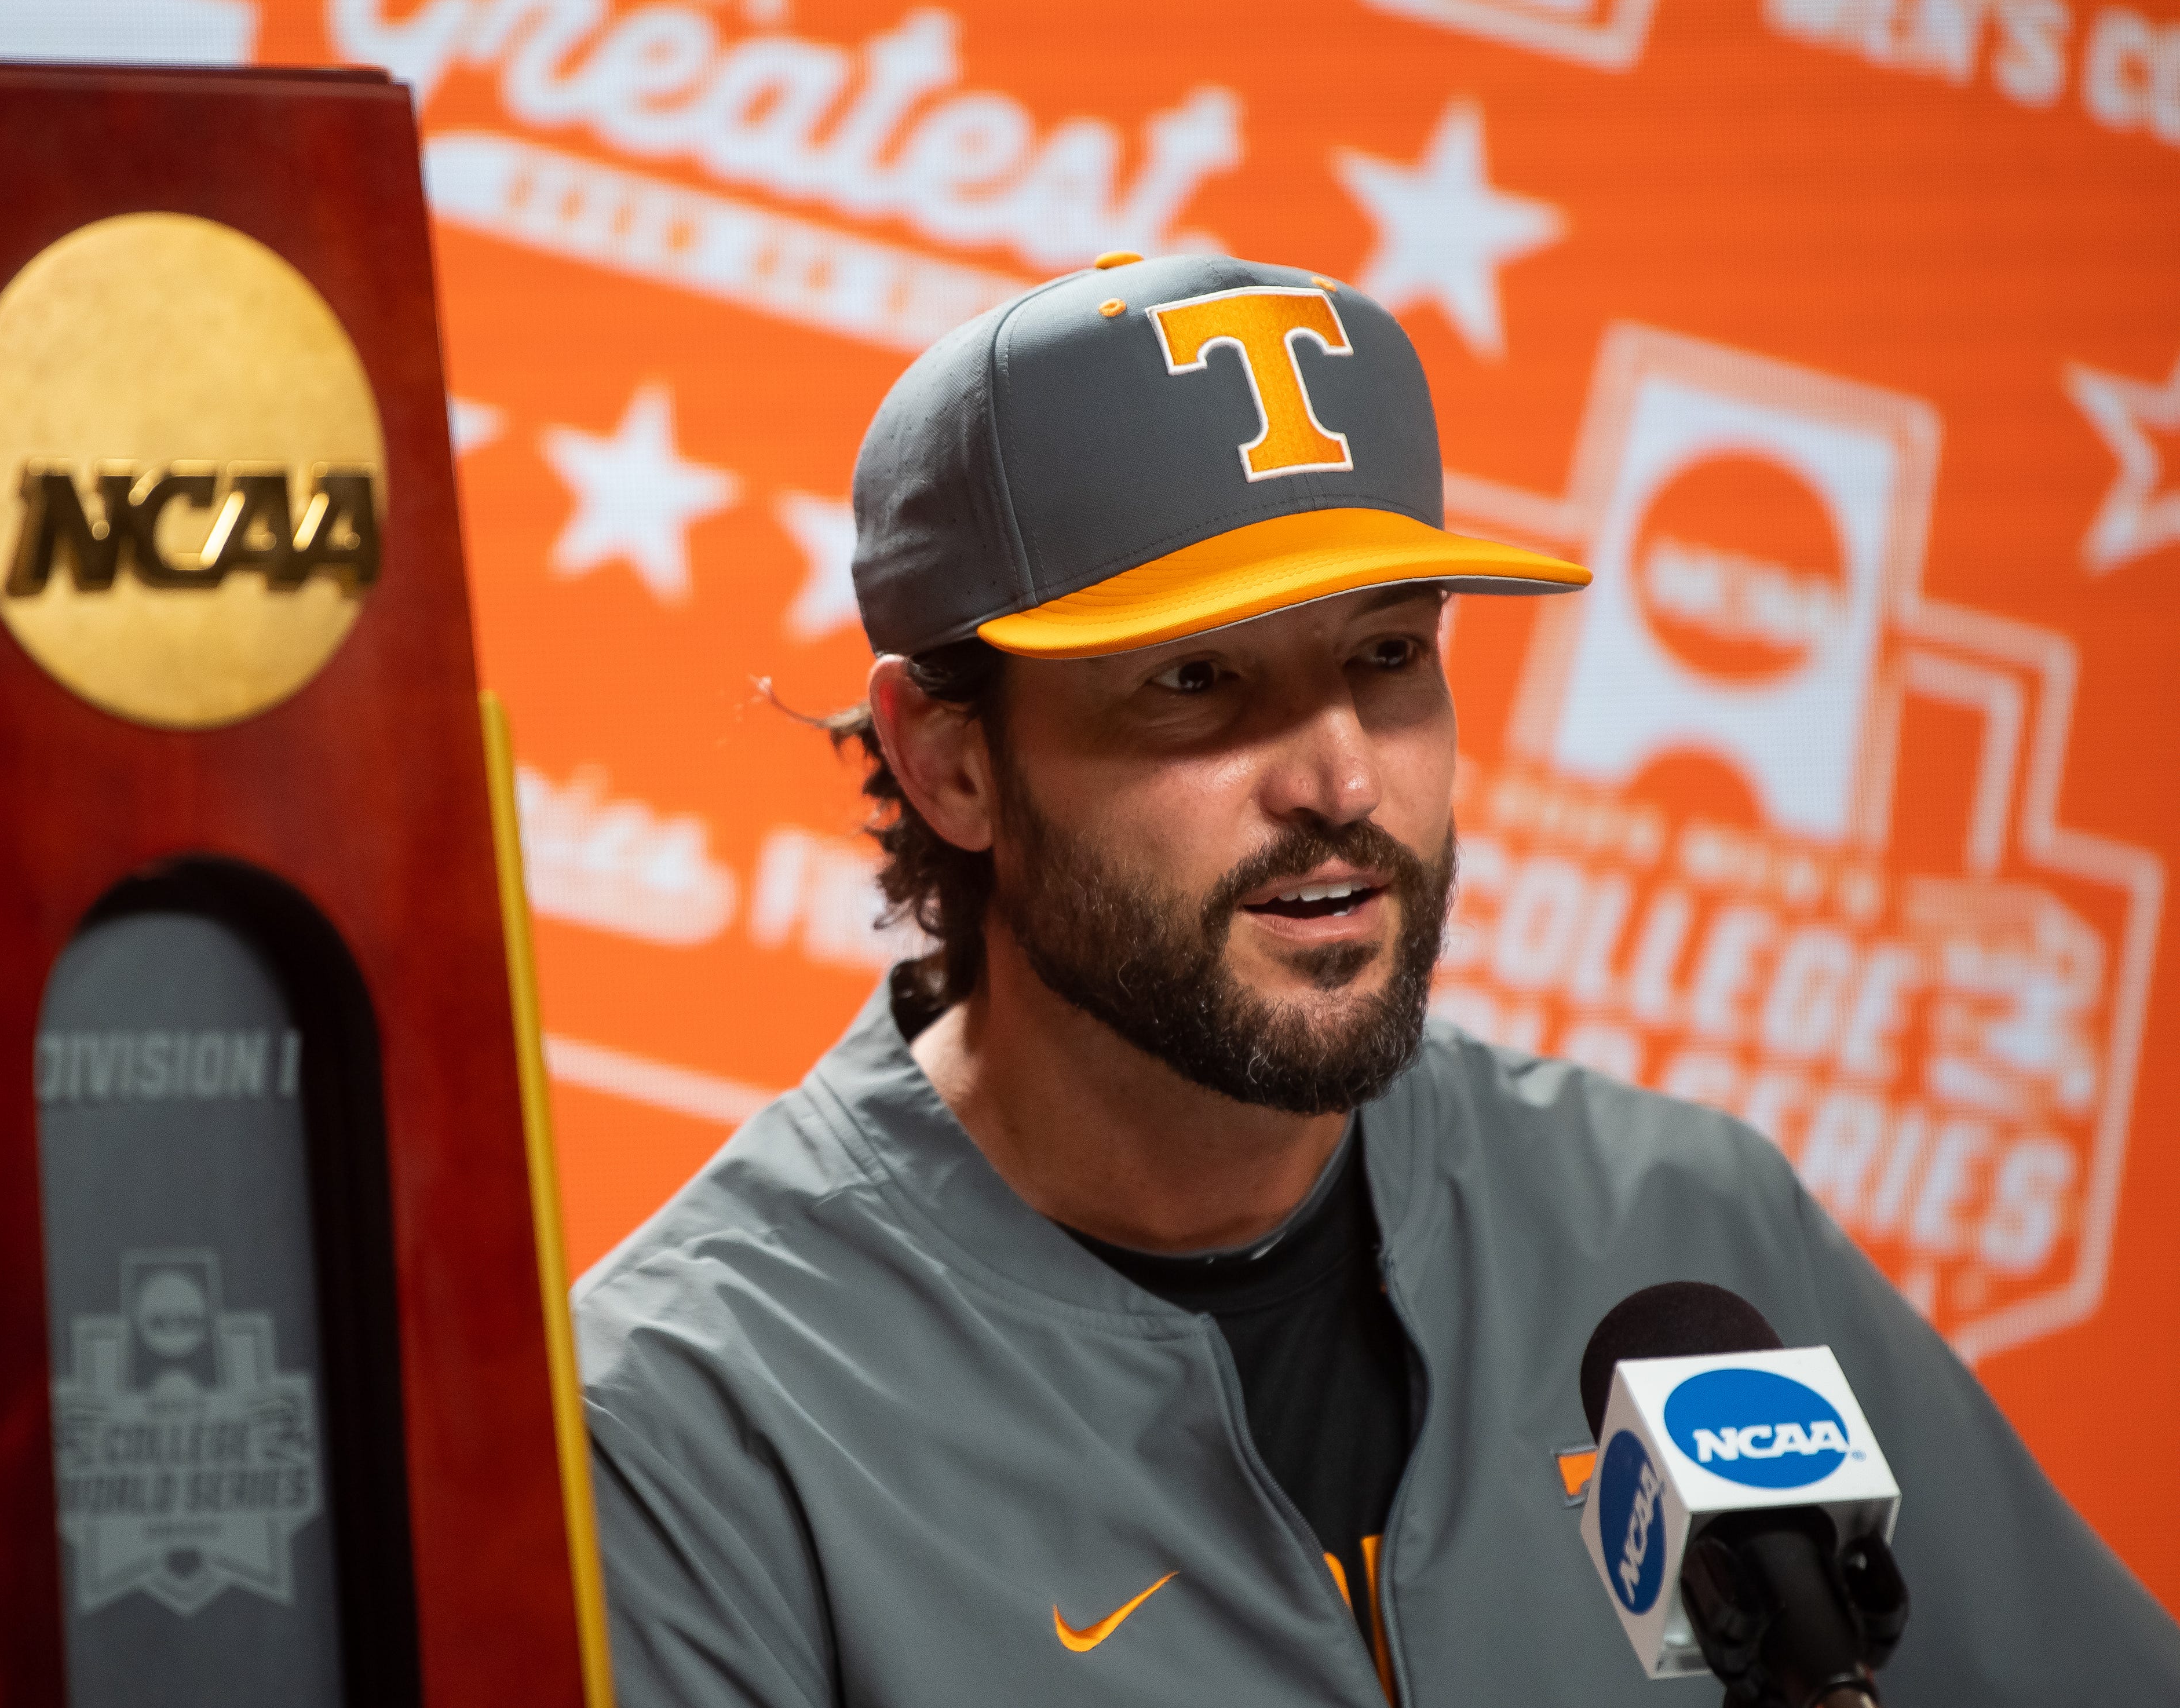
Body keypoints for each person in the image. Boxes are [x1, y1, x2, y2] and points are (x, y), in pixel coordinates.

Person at [571, 253, 2180, 1705]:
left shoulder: (1679, 1223)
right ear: (951, 761)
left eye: (1387, 655)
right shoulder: (694, 1417)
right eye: (1198, 681)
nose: (1340, 777)